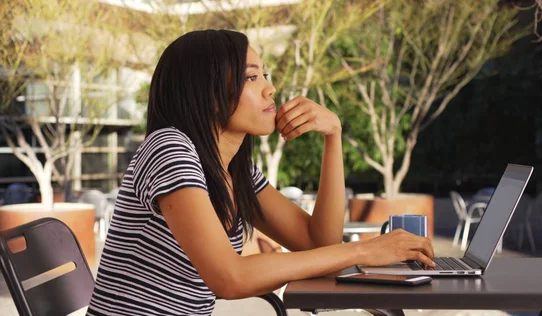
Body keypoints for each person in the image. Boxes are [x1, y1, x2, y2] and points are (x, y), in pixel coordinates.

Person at [86, 29, 434, 316]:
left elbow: (319, 244)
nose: (271, 88)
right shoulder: (169, 148)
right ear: (206, 91)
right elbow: (229, 278)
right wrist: (362, 251)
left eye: (265, 74)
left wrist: (333, 136)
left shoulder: (236, 170)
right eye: (251, 77)